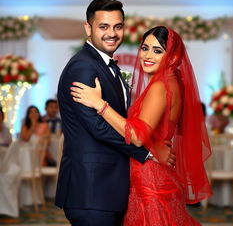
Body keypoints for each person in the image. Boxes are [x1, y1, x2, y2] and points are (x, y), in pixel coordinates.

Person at [71, 26, 213, 225]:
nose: (147, 55)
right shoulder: (172, 83)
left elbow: (137, 135)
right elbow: (158, 130)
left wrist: (99, 104)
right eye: (145, 48)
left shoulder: (160, 86)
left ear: (172, 58)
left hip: (150, 178)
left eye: (157, 51)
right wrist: (155, 146)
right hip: (156, 172)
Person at [55, 0, 175, 226]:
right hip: (91, 189)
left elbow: (123, 121)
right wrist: (148, 151)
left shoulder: (105, 65)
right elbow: (98, 128)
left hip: (108, 188)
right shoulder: (83, 66)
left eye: (117, 26)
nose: (112, 33)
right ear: (88, 28)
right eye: (103, 26)